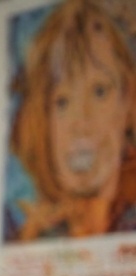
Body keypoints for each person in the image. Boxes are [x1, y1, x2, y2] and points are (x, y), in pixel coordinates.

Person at [8, 0, 136, 240]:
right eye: (62, 102)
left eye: (99, 92)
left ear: (127, 103)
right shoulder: (31, 238)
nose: (81, 123)